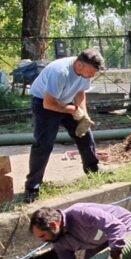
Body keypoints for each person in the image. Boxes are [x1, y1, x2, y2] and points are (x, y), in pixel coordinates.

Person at [23, 48, 106, 203]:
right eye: (92, 72)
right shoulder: (60, 72)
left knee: (84, 134)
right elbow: (49, 103)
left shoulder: (85, 71)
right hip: (43, 104)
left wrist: (84, 114)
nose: (93, 75)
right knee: (44, 144)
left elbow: (80, 93)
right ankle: (32, 187)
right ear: (80, 65)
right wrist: (73, 110)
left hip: (65, 102)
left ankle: (93, 169)